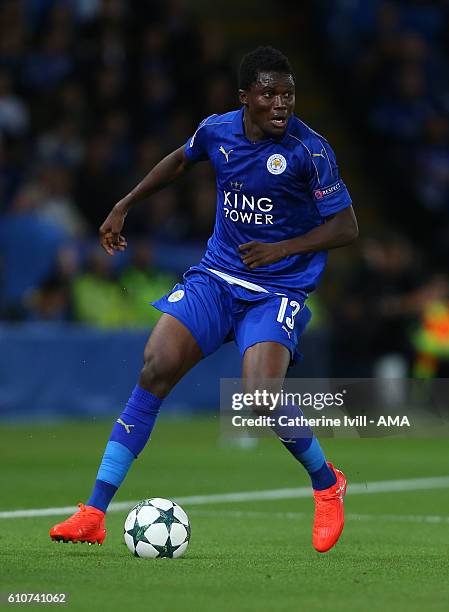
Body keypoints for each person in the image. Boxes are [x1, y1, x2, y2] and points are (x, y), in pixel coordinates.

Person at [50, 47, 358, 553]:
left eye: (289, 94)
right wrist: (124, 205)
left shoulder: (311, 151)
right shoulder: (218, 130)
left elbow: (346, 226)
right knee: (155, 367)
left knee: (260, 396)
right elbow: (178, 161)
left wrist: (282, 248)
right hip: (217, 276)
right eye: (269, 94)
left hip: (276, 288)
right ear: (245, 99)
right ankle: (93, 512)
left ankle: (326, 483)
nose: (282, 104)